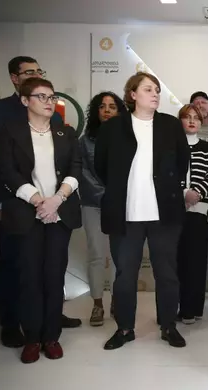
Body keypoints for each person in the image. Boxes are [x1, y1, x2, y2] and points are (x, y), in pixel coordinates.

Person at [0, 56, 80, 349]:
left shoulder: (65, 132)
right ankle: (31, 338)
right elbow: (7, 171)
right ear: (26, 100)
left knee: (54, 276)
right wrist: (39, 200)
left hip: (59, 213)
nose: (48, 101)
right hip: (25, 212)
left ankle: (51, 337)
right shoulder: (9, 131)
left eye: (51, 97)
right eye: (42, 97)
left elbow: (75, 170)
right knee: (28, 276)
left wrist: (55, 201)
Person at [95, 72, 190, 350]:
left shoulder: (170, 126)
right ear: (133, 94)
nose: (155, 94)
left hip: (165, 215)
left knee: (167, 273)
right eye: (149, 89)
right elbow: (101, 166)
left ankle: (168, 325)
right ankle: (125, 328)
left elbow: (182, 161)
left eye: (157, 90)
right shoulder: (113, 128)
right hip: (125, 215)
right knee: (125, 275)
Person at [80, 91, 127, 327]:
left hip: (123, 205)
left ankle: (117, 301)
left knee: (121, 257)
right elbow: (84, 174)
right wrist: (106, 195)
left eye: (112, 106)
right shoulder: (85, 140)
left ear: (120, 111)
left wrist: (118, 196)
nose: (107, 110)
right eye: (102, 106)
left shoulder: (129, 137)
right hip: (94, 204)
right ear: (96, 112)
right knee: (97, 255)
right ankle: (97, 303)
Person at [176, 104, 208, 324]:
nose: (192, 121)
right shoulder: (171, 146)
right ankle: (173, 307)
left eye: (196, 118)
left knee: (196, 261)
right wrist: (183, 193)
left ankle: (192, 309)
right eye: (187, 117)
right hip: (174, 210)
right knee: (175, 261)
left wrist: (198, 193)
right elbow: (167, 174)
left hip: (199, 211)